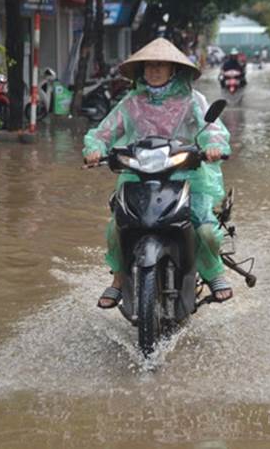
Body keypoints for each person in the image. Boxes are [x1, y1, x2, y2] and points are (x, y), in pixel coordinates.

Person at [83, 37, 233, 308]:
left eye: (160, 65)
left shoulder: (192, 100)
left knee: (206, 230)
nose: (154, 70)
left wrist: (213, 145)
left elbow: (213, 129)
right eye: (149, 66)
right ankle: (118, 280)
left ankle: (214, 272)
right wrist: (94, 147)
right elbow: (104, 131)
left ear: (173, 69)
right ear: (142, 70)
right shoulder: (130, 103)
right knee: (116, 228)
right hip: (138, 175)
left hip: (184, 174)